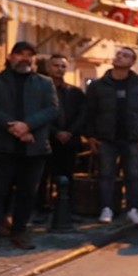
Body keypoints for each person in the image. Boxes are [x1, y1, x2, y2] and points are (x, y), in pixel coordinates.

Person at [0, 41, 59, 253]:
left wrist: (28, 125)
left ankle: (19, 231)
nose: (25, 58)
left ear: (34, 59)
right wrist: (13, 127)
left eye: (29, 55)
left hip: (34, 149)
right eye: (20, 54)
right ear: (11, 57)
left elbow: (52, 109)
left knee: (27, 194)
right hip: (2, 147)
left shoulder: (44, 82)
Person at [85, 47, 138, 225]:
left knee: (132, 174)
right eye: (118, 54)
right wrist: (90, 135)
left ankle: (132, 209)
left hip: (132, 137)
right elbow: (89, 111)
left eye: (125, 56)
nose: (120, 57)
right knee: (106, 174)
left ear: (132, 62)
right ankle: (106, 208)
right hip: (106, 137)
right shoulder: (99, 85)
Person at [40, 54, 85, 223]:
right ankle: (42, 207)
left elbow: (82, 115)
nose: (59, 69)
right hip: (47, 139)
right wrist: (55, 132)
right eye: (56, 65)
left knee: (68, 175)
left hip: (69, 141)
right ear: (48, 67)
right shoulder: (41, 90)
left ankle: (67, 207)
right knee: (44, 176)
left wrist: (70, 132)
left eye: (63, 66)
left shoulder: (75, 92)